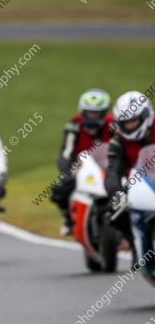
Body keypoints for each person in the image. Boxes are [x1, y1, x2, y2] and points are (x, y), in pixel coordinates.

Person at [50, 89, 114, 235]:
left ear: (104, 113)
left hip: (108, 166)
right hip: (80, 167)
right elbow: (65, 153)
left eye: (96, 113)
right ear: (82, 112)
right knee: (59, 190)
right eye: (89, 113)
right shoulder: (74, 126)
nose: (92, 117)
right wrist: (67, 171)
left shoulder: (113, 125)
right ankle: (67, 217)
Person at [104, 91, 154, 247]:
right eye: (126, 123)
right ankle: (134, 243)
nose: (130, 126)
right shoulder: (118, 141)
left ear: (145, 116)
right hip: (135, 187)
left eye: (134, 121)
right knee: (114, 212)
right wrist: (116, 193)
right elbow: (113, 171)